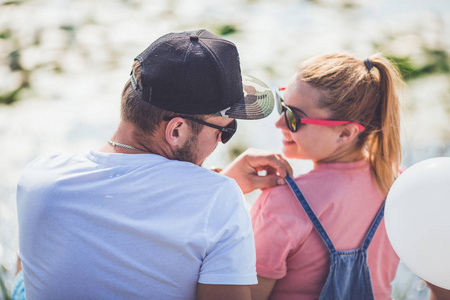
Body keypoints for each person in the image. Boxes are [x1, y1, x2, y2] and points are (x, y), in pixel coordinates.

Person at [16, 29, 292, 300]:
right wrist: (217, 190)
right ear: (176, 131)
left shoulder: (40, 177)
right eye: (225, 130)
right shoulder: (218, 197)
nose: (221, 141)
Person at [249, 52, 404, 299]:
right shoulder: (403, 187)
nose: (278, 123)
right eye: (282, 105)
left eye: (294, 117)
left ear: (345, 133)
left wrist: (227, 185)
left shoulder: (282, 203)